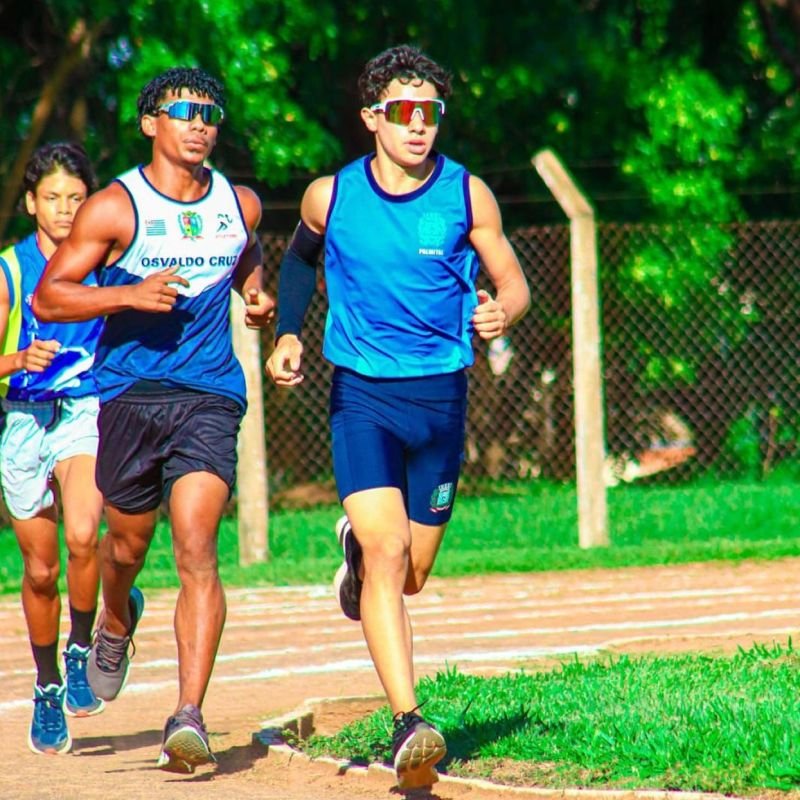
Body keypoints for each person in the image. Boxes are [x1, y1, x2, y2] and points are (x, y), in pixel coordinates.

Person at [266, 44, 530, 789]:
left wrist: (501, 314)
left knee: (411, 573)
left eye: (430, 113)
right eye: (404, 111)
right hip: (364, 398)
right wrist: (288, 332)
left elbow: (513, 283)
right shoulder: (331, 197)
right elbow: (298, 261)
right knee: (389, 552)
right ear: (372, 118)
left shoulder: (467, 195)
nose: (418, 126)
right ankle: (409, 722)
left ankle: (356, 551)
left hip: (441, 402)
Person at [33, 66, 275, 774]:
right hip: (129, 397)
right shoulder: (115, 208)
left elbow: (247, 254)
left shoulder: (240, 203)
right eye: (184, 111)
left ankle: (188, 716)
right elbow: (51, 296)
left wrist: (256, 294)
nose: (200, 123)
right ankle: (115, 619)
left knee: (198, 545)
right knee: (126, 547)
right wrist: (128, 295)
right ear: (150, 123)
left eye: (210, 113)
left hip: (208, 394)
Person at [0, 142, 104, 754]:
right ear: (31, 203)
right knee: (41, 571)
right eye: (53, 198)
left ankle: (82, 647)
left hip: (84, 411)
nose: (65, 209)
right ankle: (47, 686)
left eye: (76, 197)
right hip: (22, 422)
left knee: (84, 534)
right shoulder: (10, 270)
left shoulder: (105, 262)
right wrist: (19, 360)